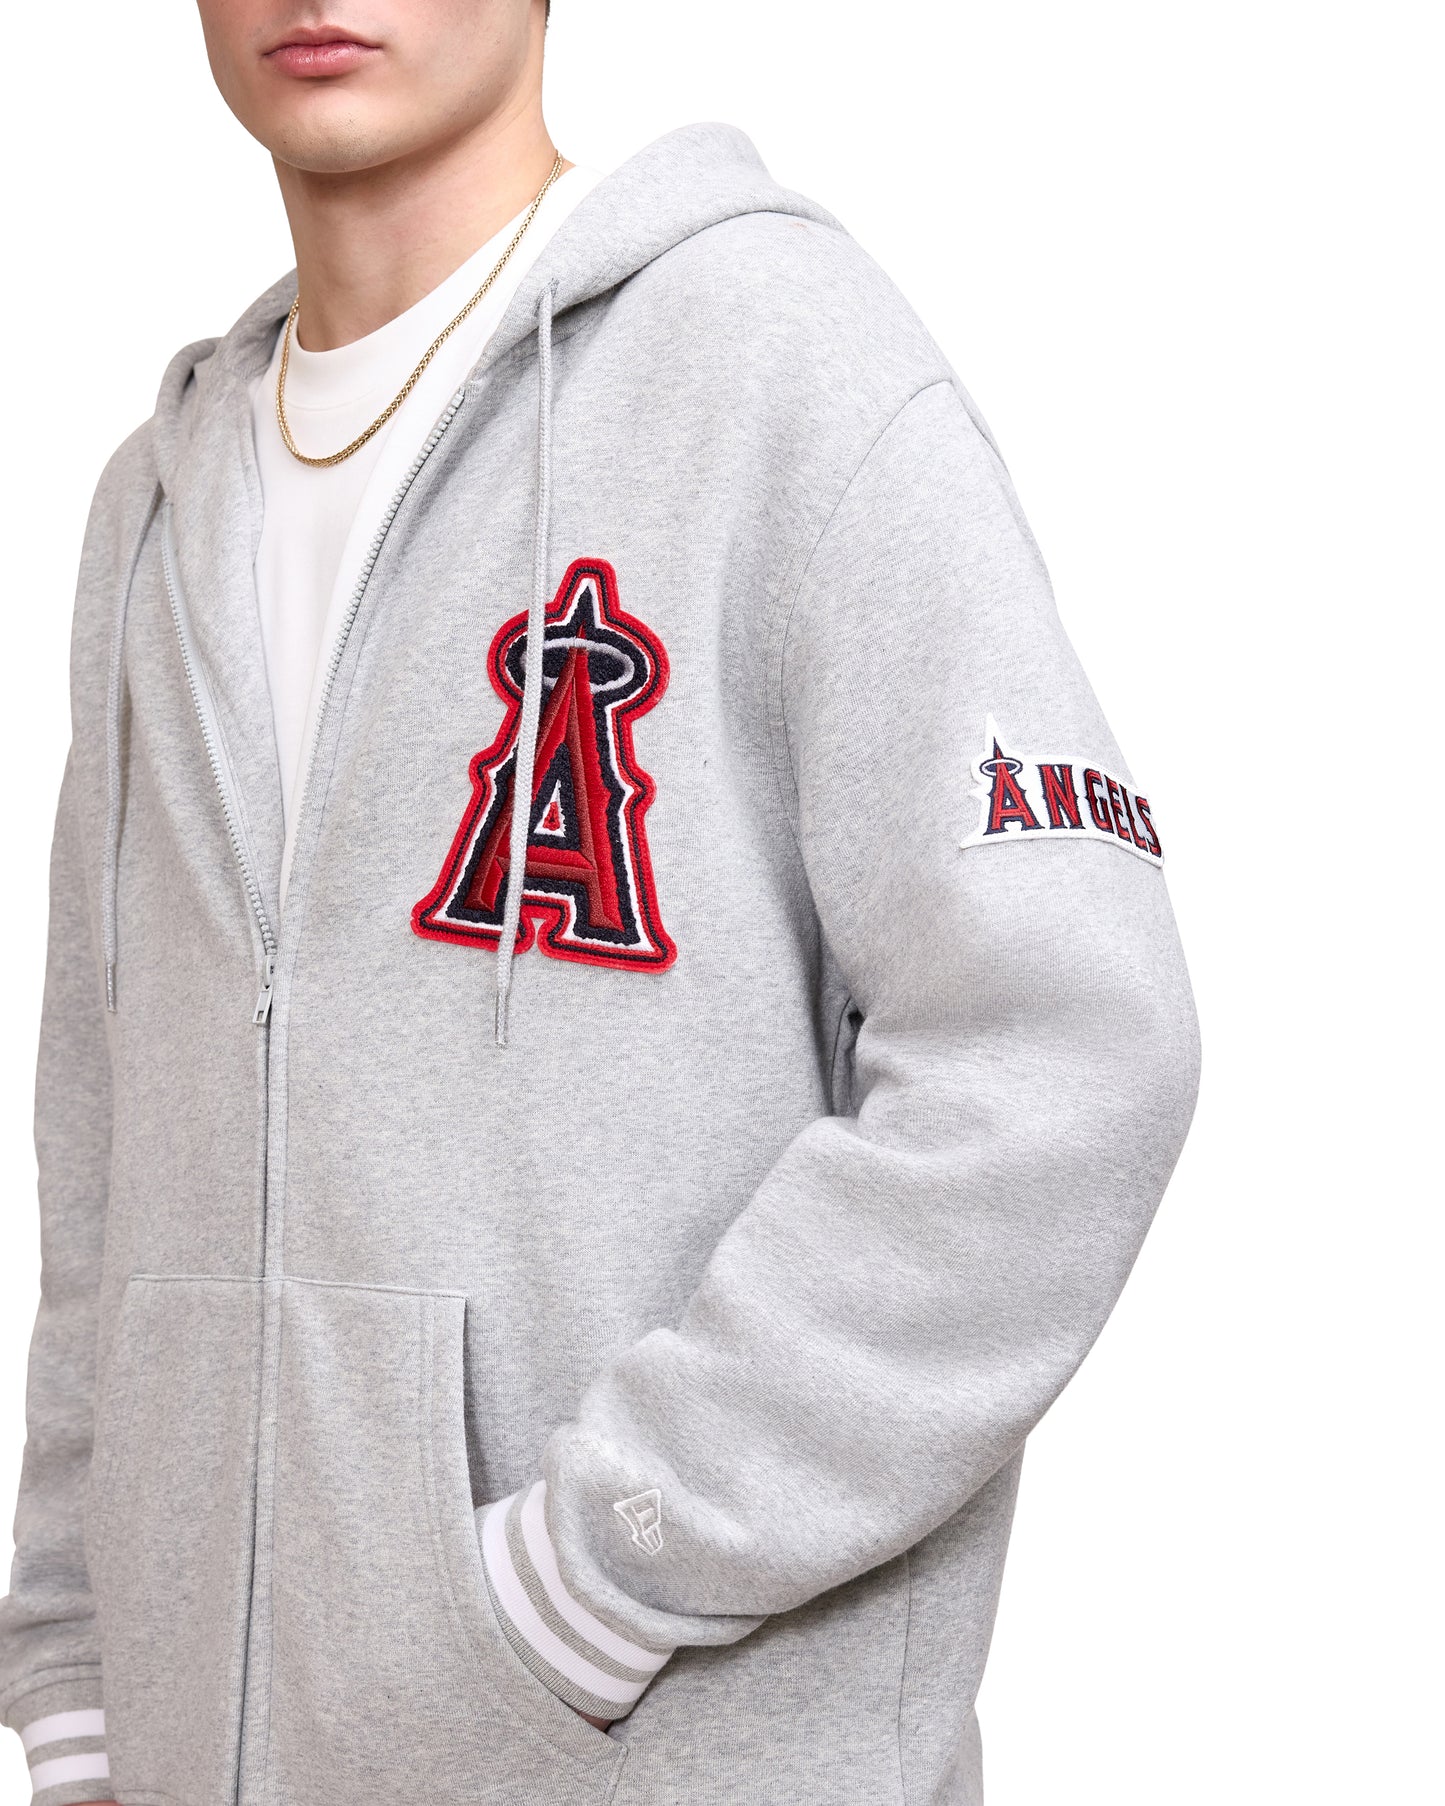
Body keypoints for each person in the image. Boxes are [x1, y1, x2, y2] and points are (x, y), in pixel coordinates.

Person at [0, 2, 1200, 1802]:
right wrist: (79, 1672)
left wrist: (603, 1559)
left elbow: (1065, 1052)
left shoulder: (782, 374)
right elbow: (109, 1139)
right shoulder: (159, 508)